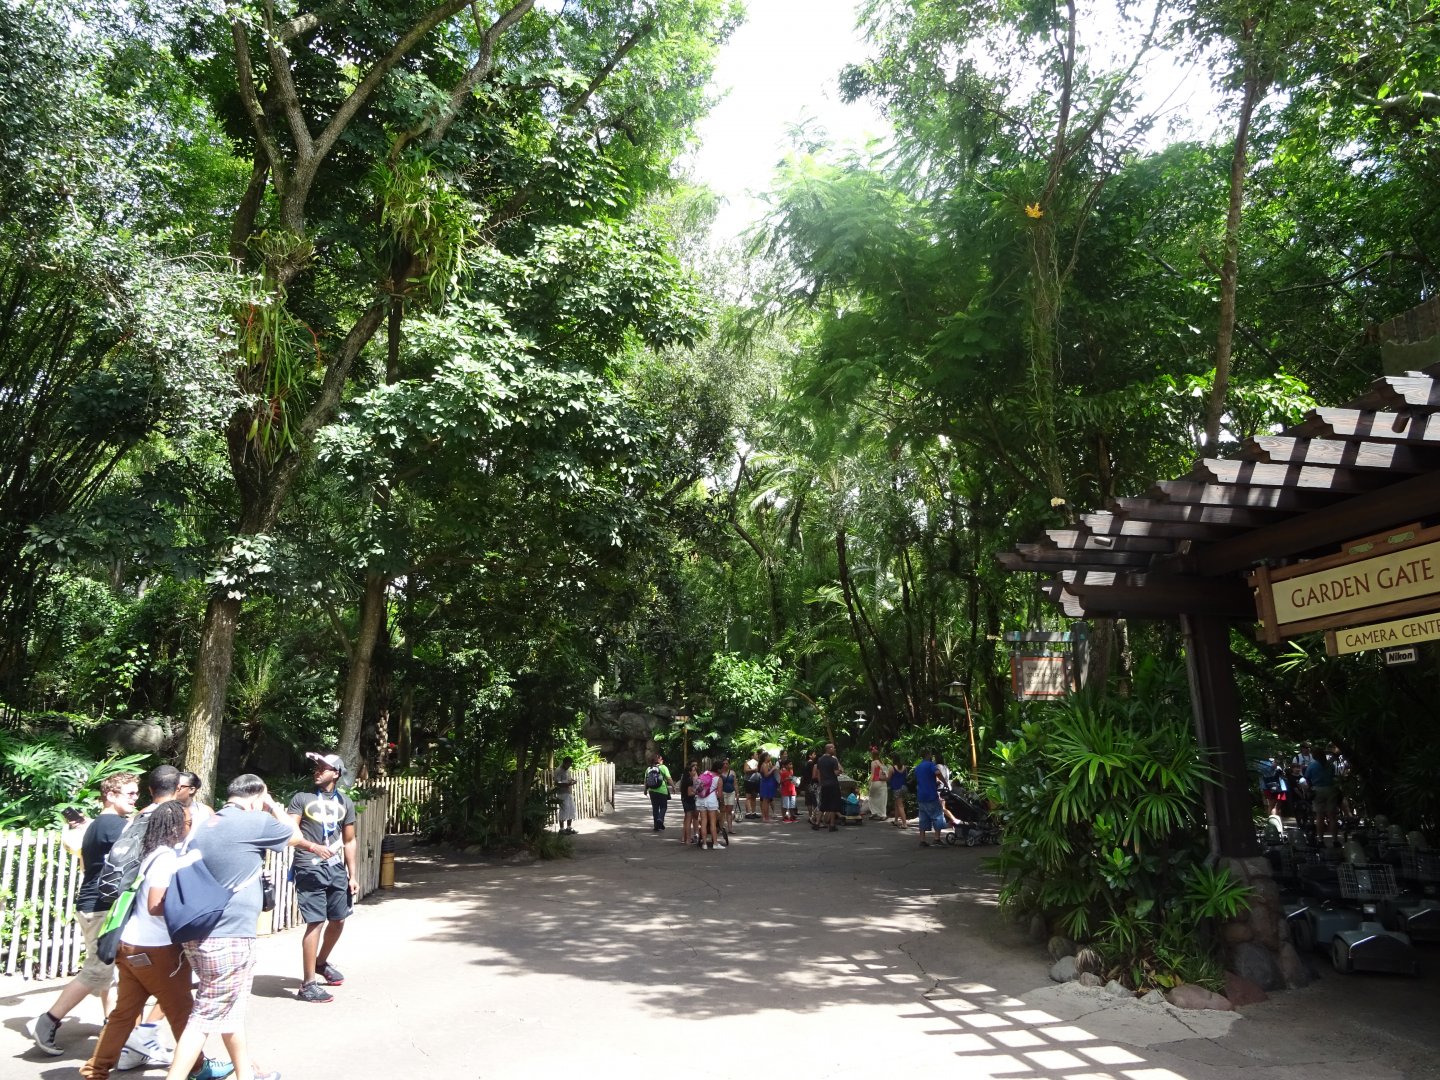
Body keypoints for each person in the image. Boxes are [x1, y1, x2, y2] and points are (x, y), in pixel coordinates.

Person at [162, 773, 313, 1080]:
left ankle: (247, 1074)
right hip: (228, 934)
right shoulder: (253, 822)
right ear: (255, 797)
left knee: (231, 1007)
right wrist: (271, 805)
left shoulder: (208, 824)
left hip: (202, 931)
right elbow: (293, 835)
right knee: (205, 1015)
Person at [79, 801, 233, 1080]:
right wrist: (187, 907)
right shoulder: (164, 859)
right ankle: (199, 1068)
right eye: (187, 822)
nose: (189, 827)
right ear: (174, 827)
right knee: (183, 1011)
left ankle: (95, 1070)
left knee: (123, 1014)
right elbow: (155, 905)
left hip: (129, 945)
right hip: (157, 948)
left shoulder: (147, 853)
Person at [30, 772, 140, 1055]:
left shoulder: (100, 823)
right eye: (129, 793)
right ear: (111, 795)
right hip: (101, 907)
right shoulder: (111, 825)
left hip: (97, 905)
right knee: (97, 969)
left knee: (109, 969)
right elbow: (143, 845)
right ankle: (48, 1020)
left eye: (136, 793)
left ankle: (113, 1025)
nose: (135, 798)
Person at [287, 752, 358, 1004]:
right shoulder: (301, 798)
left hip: (336, 867)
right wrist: (312, 847)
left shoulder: (345, 801)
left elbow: (349, 840)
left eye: (323, 768)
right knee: (315, 922)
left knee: (338, 920)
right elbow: (290, 833)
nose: (317, 771)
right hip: (309, 865)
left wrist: (352, 874)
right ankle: (308, 984)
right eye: (316, 767)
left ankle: (320, 962)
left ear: (336, 773)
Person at [1305, 751, 1340, 845]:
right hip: (1330, 789)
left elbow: (1307, 778)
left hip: (1317, 790)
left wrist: (1310, 788)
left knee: (1319, 816)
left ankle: (1320, 840)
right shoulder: (1330, 765)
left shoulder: (1312, 766)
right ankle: (1335, 840)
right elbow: (1334, 777)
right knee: (1332, 816)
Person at [913, 750, 945, 848]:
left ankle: (922, 840)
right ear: (928, 755)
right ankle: (937, 838)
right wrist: (944, 782)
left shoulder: (917, 767)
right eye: (930, 754)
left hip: (921, 795)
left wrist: (933, 783)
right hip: (931, 795)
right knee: (938, 815)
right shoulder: (930, 765)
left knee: (923, 818)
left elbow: (922, 780)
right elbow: (937, 772)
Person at [813, 742, 842, 833]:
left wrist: (821, 783)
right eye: (833, 748)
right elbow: (836, 773)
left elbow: (819, 774)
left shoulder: (820, 760)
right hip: (833, 784)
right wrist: (840, 771)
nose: (834, 749)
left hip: (824, 785)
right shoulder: (833, 760)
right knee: (833, 805)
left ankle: (817, 823)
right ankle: (832, 825)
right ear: (829, 749)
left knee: (823, 804)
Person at [694, 758, 721, 849]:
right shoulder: (718, 779)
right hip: (711, 800)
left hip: (701, 799)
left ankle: (704, 844)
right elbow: (720, 794)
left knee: (704, 822)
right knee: (713, 823)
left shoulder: (705, 774)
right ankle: (715, 843)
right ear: (719, 769)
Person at [643, 753, 672, 832]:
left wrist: (645, 790)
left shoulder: (649, 768)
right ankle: (660, 819)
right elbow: (668, 778)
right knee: (663, 807)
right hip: (662, 790)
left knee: (655, 808)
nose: (662, 760)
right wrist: (673, 786)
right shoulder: (663, 767)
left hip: (652, 791)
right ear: (658, 760)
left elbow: (646, 781)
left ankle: (656, 825)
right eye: (661, 759)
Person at [554, 756, 577, 835]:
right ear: (564, 763)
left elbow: (568, 779)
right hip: (562, 793)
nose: (569, 766)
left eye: (570, 765)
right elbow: (557, 783)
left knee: (571, 809)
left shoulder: (567, 770)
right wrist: (568, 783)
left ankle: (569, 827)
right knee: (563, 810)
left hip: (568, 792)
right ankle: (561, 829)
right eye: (568, 764)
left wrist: (572, 781)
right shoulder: (558, 770)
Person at [678, 761, 700, 846]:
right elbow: (689, 793)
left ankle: (686, 838)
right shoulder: (689, 780)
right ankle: (688, 839)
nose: (694, 772)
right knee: (688, 819)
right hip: (689, 800)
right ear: (689, 772)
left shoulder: (684, 779)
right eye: (693, 770)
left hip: (685, 799)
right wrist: (697, 793)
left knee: (687, 819)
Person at [717, 758, 737, 838]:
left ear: (729, 764)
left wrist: (737, 793)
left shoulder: (732, 772)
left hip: (731, 793)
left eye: (727, 763)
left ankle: (730, 828)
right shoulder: (719, 773)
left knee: (729, 811)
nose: (725, 765)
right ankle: (721, 828)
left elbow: (735, 783)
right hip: (723, 793)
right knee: (722, 811)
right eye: (724, 763)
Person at [868, 747, 889, 821]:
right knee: (883, 799)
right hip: (883, 782)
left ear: (872, 755)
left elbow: (873, 774)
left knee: (871, 798)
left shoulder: (873, 763)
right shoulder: (882, 762)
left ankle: (874, 812)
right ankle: (883, 814)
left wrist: (870, 783)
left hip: (875, 782)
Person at [757, 752, 778, 822]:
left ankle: (766, 816)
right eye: (769, 756)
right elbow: (766, 775)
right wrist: (773, 769)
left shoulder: (768, 764)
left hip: (769, 783)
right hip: (766, 783)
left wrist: (773, 767)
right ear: (765, 757)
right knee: (765, 801)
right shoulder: (764, 764)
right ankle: (765, 817)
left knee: (767, 800)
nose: (770, 757)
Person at [888, 759, 908, 828]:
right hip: (904, 787)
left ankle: (904, 824)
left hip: (896, 788)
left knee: (900, 805)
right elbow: (906, 776)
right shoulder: (905, 767)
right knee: (897, 804)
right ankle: (896, 820)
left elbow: (888, 778)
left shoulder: (892, 768)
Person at [777, 755, 797, 822]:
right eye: (789, 764)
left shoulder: (791, 771)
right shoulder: (783, 773)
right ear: (785, 766)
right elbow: (781, 782)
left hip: (792, 790)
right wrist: (786, 779)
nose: (791, 766)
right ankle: (784, 817)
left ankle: (792, 816)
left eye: (791, 764)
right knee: (786, 805)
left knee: (792, 805)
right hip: (786, 791)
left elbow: (792, 780)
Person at [743, 754, 761, 819]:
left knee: (754, 797)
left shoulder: (758, 762)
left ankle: (753, 812)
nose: (757, 756)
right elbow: (745, 770)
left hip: (755, 782)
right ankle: (748, 813)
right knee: (748, 797)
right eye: (756, 755)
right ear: (752, 756)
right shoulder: (748, 762)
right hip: (749, 781)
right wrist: (753, 770)